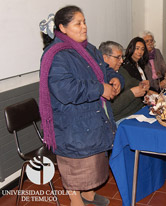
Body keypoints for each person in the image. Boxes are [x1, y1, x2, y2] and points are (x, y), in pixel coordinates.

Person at [39, 6, 124, 206]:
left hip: (93, 118)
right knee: (76, 168)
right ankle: (76, 201)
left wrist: (115, 79)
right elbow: (66, 90)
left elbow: (105, 70)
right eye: (78, 23)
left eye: (84, 21)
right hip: (71, 125)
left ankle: (89, 197)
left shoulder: (89, 49)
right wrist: (99, 89)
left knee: (95, 163)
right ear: (63, 27)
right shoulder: (55, 55)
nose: (84, 26)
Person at [99, 41, 149, 125]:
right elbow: (110, 110)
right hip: (122, 119)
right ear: (105, 58)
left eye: (122, 57)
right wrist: (132, 93)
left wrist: (142, 84)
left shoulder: (120, 70)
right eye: (118, 57)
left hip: (138, 111)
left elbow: (133, 82)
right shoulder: (101, 79)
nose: (122, 61)